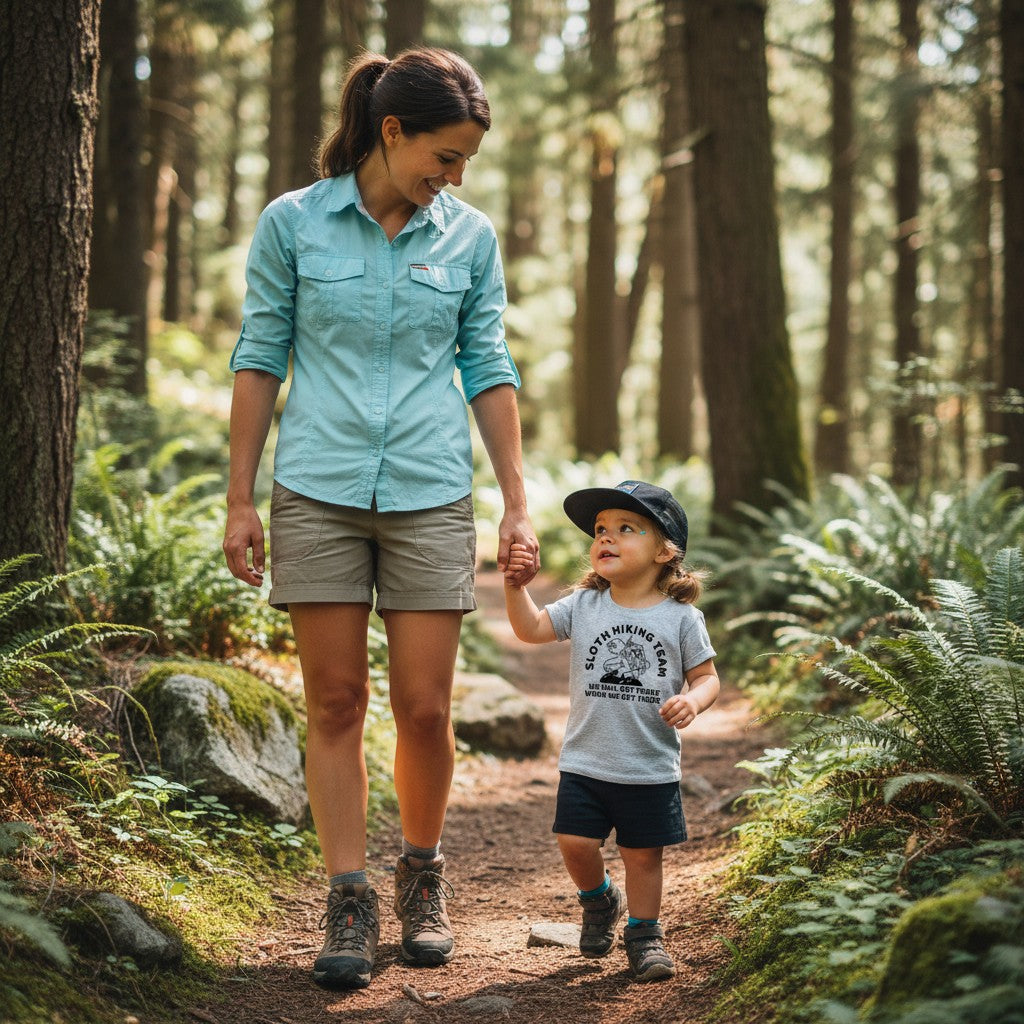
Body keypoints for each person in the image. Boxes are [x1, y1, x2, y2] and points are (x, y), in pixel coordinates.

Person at [222, 47, 539, 991]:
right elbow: (259, 355)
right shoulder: (294, 223)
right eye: (444, 156)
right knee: (335, 702)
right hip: (316, 487)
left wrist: (517, 497)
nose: (454, 176)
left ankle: (423, 873)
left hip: (430, 493)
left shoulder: (468, 238)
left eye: (466, 163)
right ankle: (348, 893)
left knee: (427, 707)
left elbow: (488, 366)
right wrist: (240, 496)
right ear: (391, 132)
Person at [503, 480, 719, 982]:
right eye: (601, 529)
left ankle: (645, 935)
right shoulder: (584, 605)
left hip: (648, 765)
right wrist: (515, 587)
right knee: (574, 842)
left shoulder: (682, 618)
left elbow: (707, 677)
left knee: (643, 857)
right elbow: (531, 629)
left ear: (665, 550)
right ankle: (599, 900)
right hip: (586, 760)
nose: (606, 537)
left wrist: (693, 700)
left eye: (627, 528)